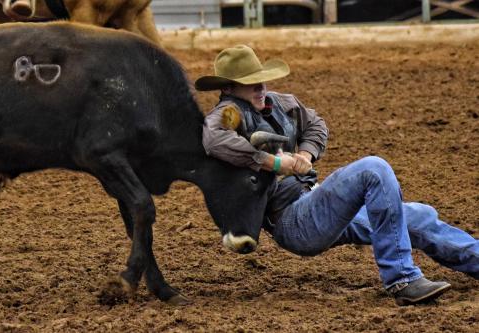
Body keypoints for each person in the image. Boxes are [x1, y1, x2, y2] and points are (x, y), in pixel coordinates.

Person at [195, 45, 478, 306]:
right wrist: (275, 163)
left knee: (416, 216)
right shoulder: (225, 115)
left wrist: (305, 155)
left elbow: (316, 124)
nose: (260, 86)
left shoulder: (280, 103)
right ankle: (402, 279)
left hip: (315, 203)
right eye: (250, 82)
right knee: (373, 169)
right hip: (291, 220)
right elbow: (214, 140)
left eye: (261, 79)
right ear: (230, 88)